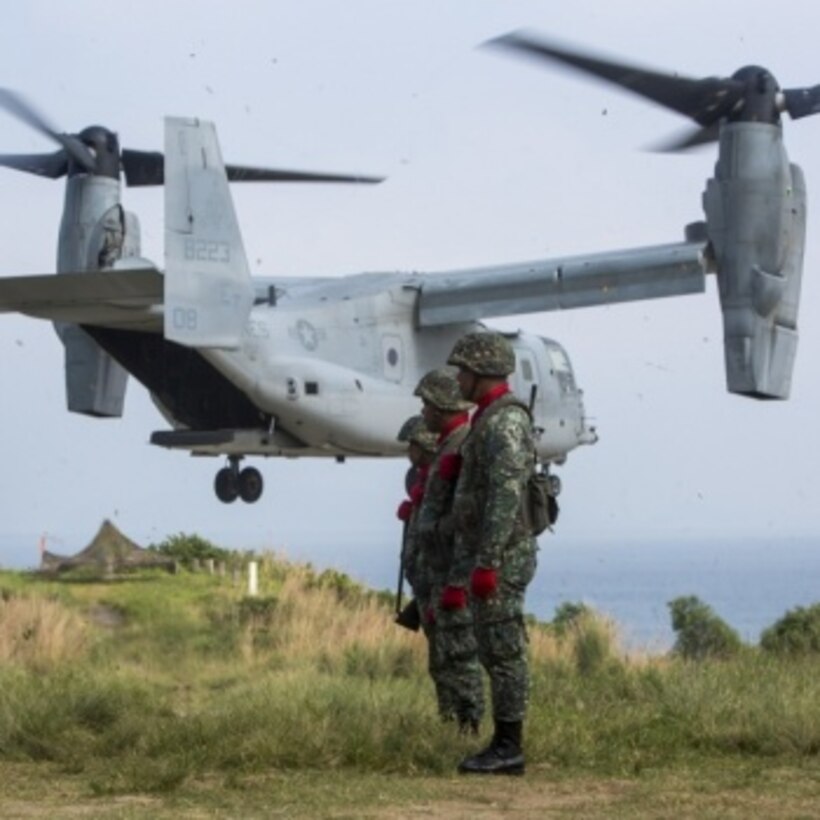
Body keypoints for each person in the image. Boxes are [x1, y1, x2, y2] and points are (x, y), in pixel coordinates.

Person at [444, 331, 538, 776]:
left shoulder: (503, 422)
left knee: (503, 651)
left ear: (481, 372)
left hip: (501, 554)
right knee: (493, 649)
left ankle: (509, 747)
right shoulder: (487, 418)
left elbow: (505, 493)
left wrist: (488, 562)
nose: (458, 378)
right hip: (489, 550)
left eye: (462, 370)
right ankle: (503, 743)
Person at [413, 368, 484, 734]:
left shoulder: (462, 446)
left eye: (427, 405)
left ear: (442, 405)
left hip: (453, 570)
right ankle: (455, 723)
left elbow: (465, 520)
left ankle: (469, 725)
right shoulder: (446, 446)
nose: (423, 413)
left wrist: (458, 578)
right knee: (445, 654)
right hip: (438, 569)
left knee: (461, 652)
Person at [395, 415, 457, 718]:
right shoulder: (425, 479)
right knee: (438, 661)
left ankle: (463, 721)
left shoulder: (441, 479)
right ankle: (450, 717)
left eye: (413, 445)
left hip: (438, 583)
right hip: (425, 584)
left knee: (453, 659)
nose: (409, 452)